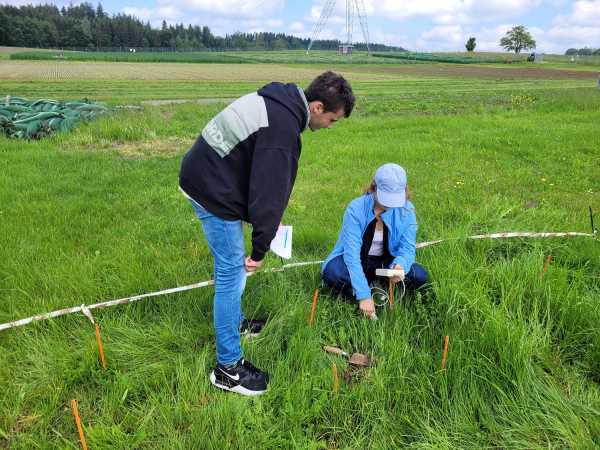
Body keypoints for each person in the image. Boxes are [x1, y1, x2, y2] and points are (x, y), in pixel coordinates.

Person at [179, 71, 355, 396]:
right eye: (332, 119)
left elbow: (250, 167)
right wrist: (259, 251)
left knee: (229, 270)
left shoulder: (279, 103)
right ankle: (228, 370)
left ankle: (235, 322)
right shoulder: (283, 129)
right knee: (232, 271)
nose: (330, 126)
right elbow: (269, 195)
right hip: (210, 188)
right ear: (316, 107)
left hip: (208, 175)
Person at [321, 163, 429, 318]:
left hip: (386, 263)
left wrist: (400, 265)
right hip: (358, 260)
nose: (390, 205)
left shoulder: (408, 210)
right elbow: (351, 256)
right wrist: (364, 296)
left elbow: (407, 248)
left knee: (419, 275)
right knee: (333, 273)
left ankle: (370, 287)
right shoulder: (355, 209)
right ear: (374, 188)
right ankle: (367, 291)